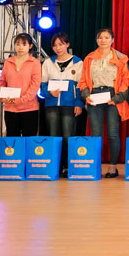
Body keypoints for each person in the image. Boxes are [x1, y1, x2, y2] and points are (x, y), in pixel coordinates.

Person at [79, 28, 129, 178]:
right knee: (96, 134)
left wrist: (116, 99)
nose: (103, 40)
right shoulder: (89, 58)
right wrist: (86, 95)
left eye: (106, 38)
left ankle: (112, 167)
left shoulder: (121, 58)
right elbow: (83, 81)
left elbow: (125, 82)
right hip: (94, 96)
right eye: (100, 38)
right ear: (96, 40)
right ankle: (94, 166)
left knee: (113, 133)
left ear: (112, 40)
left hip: (112, 97)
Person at [40, 32, 84, 177]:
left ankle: (68, 166)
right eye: (55, 45)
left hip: (69, 105)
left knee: (68, 136)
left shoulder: (78, 62)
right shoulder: (48, 62)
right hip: (51, 105)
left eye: (61, 44)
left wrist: (79, 104)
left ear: (67, 44)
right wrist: (49, 93)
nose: (58, 48)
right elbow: (42, 84)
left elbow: (80, 86)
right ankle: (55, 166)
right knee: (54, 136)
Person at [0, 33, 41, 137]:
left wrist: (19, 100)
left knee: (29, 141)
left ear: (30, 46)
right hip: (10, 108)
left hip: (29, 108)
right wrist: (4, 96)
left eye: (24, 44)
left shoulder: (35, 63)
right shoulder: (8, 62)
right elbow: (1, 81)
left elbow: (35, 86)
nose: (20, 47)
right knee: (12, 141)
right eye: (17, 44)